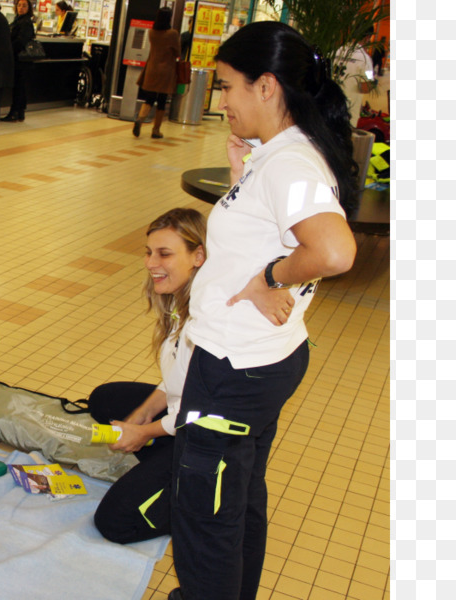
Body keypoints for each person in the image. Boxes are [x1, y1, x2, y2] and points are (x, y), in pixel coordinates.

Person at [166, 22, 358, 600]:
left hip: (233, 371)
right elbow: (270, 229)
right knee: (239, 498)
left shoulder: (288, 163)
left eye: (228, 87)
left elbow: (333, 250)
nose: (221, 101)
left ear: (267, 86)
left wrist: (269, 277)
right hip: (259, 360)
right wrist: (241, 180)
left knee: (206, 514)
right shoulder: (279, 157)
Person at [87, 208, 205, 544]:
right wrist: (142, 415)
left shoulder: (207, 318)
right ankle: (163, 458)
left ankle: (198, 498)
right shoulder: (178, 303)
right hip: (183, 412)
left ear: (199, 256)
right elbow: (176, 380)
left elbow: (196, 409)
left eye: (165, 254)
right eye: (149, 252)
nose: (152, 263)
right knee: (105, 400)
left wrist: (143, 432)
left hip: (202, 429)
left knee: (113, 522)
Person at [132, 7, 181, 139]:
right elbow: (178, 52)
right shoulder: (172, 34)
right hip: (166, 71)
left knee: (149, 98)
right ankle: (156, 130)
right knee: (161, 101)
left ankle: (140, 120)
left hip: (151, 69)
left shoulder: (152, 32)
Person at [3, 0, 36, 122]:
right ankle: (19, 112)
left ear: (29, 8)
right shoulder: (19, 20)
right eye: (19, 5)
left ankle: (15, 112)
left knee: (18, 86)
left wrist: (10, 49)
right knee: (19, 86)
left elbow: (21, 41)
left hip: (21, 59)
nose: (21, 8)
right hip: (21, 60)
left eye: (24, 6)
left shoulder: (25, 22)